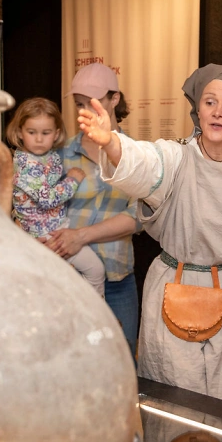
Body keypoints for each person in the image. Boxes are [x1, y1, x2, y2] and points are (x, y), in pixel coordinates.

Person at [77, 64, 222, 411]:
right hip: (173, 291)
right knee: (177, 402)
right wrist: (113, 143)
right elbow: (143, 164)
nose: (218, 112)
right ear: (198, 109)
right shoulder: (175, 157)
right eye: (210, 102)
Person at [50, 63, 140, 356]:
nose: (84, 110)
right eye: (78, 104)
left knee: (122, 361)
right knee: (69, 359)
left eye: (92, 102)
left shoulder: (136, 155)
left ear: (115, 99)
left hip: (117, 280)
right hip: (68, 276)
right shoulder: (61, 153)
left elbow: (137, 218)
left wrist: (81, 236)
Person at [6, 97, 106, 297]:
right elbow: (48, 198)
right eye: (31, 132)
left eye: (46, 133)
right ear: (19, 132)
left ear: (57, 133)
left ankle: (86, 312)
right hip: (42, 237)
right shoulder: (26, 165)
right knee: (93, 271)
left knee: (85, 275)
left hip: (56, 230)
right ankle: (93, 314)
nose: (39, 139)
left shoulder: (49, 156)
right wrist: (72, 180)